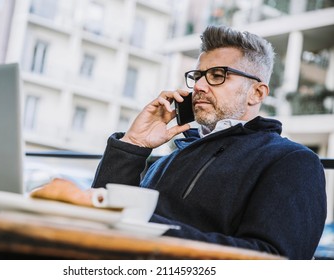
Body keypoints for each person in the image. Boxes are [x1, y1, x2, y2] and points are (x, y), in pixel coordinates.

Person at [91, 25, 327, 260]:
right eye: (197, 76)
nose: (199, 87)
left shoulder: (292, 161)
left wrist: (143, 225)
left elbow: (275, 260)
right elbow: (99, 224)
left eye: (217, 75)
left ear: (257, 93)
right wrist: (134, 144)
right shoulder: (171, 158)